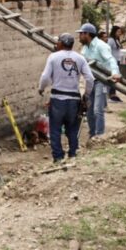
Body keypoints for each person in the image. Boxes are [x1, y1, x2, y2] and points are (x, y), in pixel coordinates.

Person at [38, 33, 95, 163]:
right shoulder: (80, 58)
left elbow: (45, 77)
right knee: (72, 129)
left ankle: (58, 157)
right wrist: (86, 96)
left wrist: (41, 88)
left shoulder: (53, 57)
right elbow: (90, 79)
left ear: (61, 43)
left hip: (58, 99)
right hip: (74, 100)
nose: (56, 44)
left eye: (57, 42)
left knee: (55, 130)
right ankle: (73, 155)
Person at [77, 23, 120, 140]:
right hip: (90, 81)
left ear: (87, 34)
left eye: (81, 34)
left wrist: (115, 72)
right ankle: (92, 135)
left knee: (97, 110)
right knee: (90, 111)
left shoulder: (101, 46)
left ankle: (100, 136)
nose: (79, 36)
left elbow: (111, 59)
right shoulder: (85, 48)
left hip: (101, 80)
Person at [107, 26, 124, 102]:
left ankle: (113, 93)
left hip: (117, 60)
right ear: (114, 32)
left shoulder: (117, 40)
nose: (119, 33)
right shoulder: (111, 40)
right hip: (113, 61)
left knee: (116, 77)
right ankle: (111, 94)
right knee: (113, 77)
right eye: (118, 32)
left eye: (120, 32)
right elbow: (107, 50)